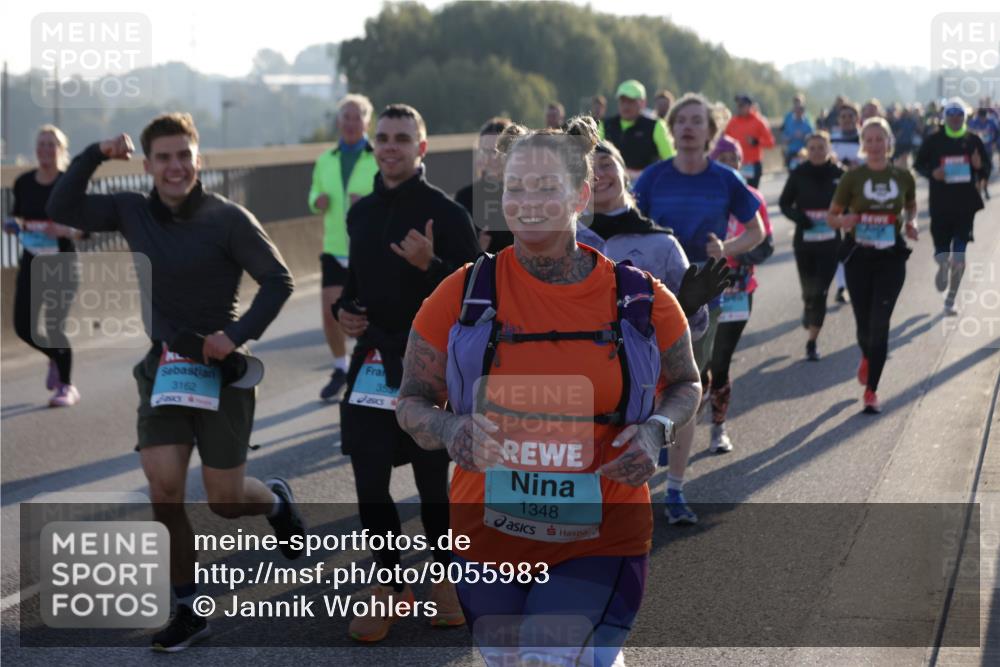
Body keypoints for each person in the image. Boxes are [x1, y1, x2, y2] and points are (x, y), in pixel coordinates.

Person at [395, 116, 702, 667]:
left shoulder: (638, 299)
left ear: (581, 195)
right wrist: (450, 428)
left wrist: (655, 431)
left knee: (546, 656)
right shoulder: (460, 296)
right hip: (486, 536)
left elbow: (686, 382)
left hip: (601, 533)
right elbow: (411, 400)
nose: (527, 201)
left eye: (545, 187)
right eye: (515, 187)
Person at [46, 112, 303, 651]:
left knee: (226, 501)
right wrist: (94, 153)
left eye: (184, 155)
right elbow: (61, 208)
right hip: (164, 367)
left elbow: (278, 280)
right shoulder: (132, 211)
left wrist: (234, 335)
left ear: (198, 159)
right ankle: (188, 607)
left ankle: (275, 502)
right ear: (148, 165)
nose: (175, 166)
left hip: (222, 372)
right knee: (163, 490)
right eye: (163, 157)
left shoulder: (229, 219)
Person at [333, 103, 481, 642]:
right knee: (368, 479)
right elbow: (355, 285)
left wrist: (431, 267)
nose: (391, 146)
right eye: (384, 138)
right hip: (373, 361)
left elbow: (475, 298)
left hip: (430, 364)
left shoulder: (446, 214)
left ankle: (445, 579)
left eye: (402, 138)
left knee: (430, 484)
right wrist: (342, 312)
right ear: (374, 145)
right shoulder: (362, 213)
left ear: (422, 147)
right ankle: (392, 583)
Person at [634, 92, 765, 523]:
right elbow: (627, 227)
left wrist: (725, 247)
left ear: (711, 131)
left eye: (698, 121)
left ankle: (674, 491)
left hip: (703, 301)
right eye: (682, 121)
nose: (689, 127)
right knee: (645, 387)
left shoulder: (725, 179)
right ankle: (635, 475)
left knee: (685, 389)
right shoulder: (652, 179)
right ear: (671, 129)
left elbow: (757, 230)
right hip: (652, 297)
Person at [828, 116, 918, 414]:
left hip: (891, 257)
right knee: (863, 322)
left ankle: (872, 390)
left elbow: (911, 205)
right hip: (859, 256)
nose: (875, 145)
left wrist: (912, 223)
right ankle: (867, 355)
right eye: (870, 140)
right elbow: (832, 217)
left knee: (880, 323)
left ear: (889, 143)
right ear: (862, 145)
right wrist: (845, 220)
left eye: (880, 139)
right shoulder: (852, 178)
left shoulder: (903, 176)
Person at [5, 125, 85, 406]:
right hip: (32, 260)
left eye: (52, 144)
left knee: (54, 325)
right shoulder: (24, 182)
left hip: (62, 262)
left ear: (61, 150)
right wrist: (14, 226)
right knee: (23, 327)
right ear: (35, 149)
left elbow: (87, 227)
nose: (46, 149)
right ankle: (54, 356)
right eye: (41, 144)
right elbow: (20, 218)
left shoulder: (69, 183)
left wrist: (68, 230)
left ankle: (67, 386)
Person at [703, 136, 773, 453]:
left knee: (721, 361)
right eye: (722, 158)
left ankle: (718, 427)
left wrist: (733, 255)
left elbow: (766, 245)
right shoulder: (699, 196)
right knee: (696, 361)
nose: (729, 163)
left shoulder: (753, 197)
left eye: (734, 158)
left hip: (737, 289)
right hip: (700, 287)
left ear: (741, 163)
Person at [308, 94, 379, 402]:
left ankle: (370, 367)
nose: (350, 123)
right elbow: (313, 193)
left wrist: (367, 204)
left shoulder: (377, 156)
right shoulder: (326, 159)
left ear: (366, 122)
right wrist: (317, 201)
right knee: (329, 311)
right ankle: (340, 367)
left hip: (369, 246)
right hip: (335, 246)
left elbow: (389, 194)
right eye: (345, 117)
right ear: (339, 122)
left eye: (356, 117)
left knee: (372, 315)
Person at [913, 97, 991, 315]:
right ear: (945, 117)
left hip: (965, 205)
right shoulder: (934, 140)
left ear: (964, 118)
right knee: (942, 253)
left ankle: (950, 299)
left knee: (959, 256)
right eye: (951, 115)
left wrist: (979, 166)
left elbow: (986, 167)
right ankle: (942, 266)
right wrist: (933, 173)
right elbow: (918, 165)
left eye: (959, 116)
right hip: (940, 205)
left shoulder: (973, 140)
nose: (955, 119)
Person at [779, 131, 845, 361]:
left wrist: (839, 216)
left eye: (821, 147)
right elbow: (784, 203)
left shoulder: (839, 174)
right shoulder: (799, 173)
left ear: (829, 149)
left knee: (821, 293)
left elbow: (851, 204)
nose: (817, 151)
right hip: (805, 244)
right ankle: (808, 307)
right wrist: (800, 217)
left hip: (830, 244)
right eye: (813, 148)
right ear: (807, 150)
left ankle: (812, 342)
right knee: (809, 291)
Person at [455, 117, 514, 253]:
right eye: (484, 151)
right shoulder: (465, 197)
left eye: (495, 151)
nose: (490, 158)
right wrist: (476, 250)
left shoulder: (525, 195)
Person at [599, 79, 675, 180]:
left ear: (643, 103)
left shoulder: (656, 126)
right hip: (611, 183)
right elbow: (592, 158)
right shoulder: (605, 125)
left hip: (646, 185)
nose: (626, 105)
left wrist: (640, 174)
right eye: (622, 100)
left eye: (631, 101)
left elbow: (672, 161)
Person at [725, 94, 775, 188]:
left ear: (749, 106)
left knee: (752, 194)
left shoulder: (758, 121)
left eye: (742, 105)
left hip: (753, 165)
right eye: (738, 105)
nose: (739, 108)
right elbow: (724, 140)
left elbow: (771, 142)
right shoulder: (732, 122)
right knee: (736, 194)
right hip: (736, 164)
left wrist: (757, 142)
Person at [967, 105, 999, 199]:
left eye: (984, 118)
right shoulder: (973, 122)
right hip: (976, 151)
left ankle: (985, 187)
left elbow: (997, 133)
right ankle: (979, 190)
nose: (982, 120)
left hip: (988, 150)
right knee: (977, 172)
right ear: (978, 116)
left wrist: (994, 142)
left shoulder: (992, 122)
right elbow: (967, 133)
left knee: (987, 171)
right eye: (981, 118)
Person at [781, 94, 814, 170]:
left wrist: (804, 136)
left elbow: (813, 136)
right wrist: (791, 137)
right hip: (792, 152)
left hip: (804, 153)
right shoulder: (789, 119)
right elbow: (784, 135)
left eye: (801, 109)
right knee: (792, 174)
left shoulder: (808, 121)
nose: (798, 111)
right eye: (796, 109)